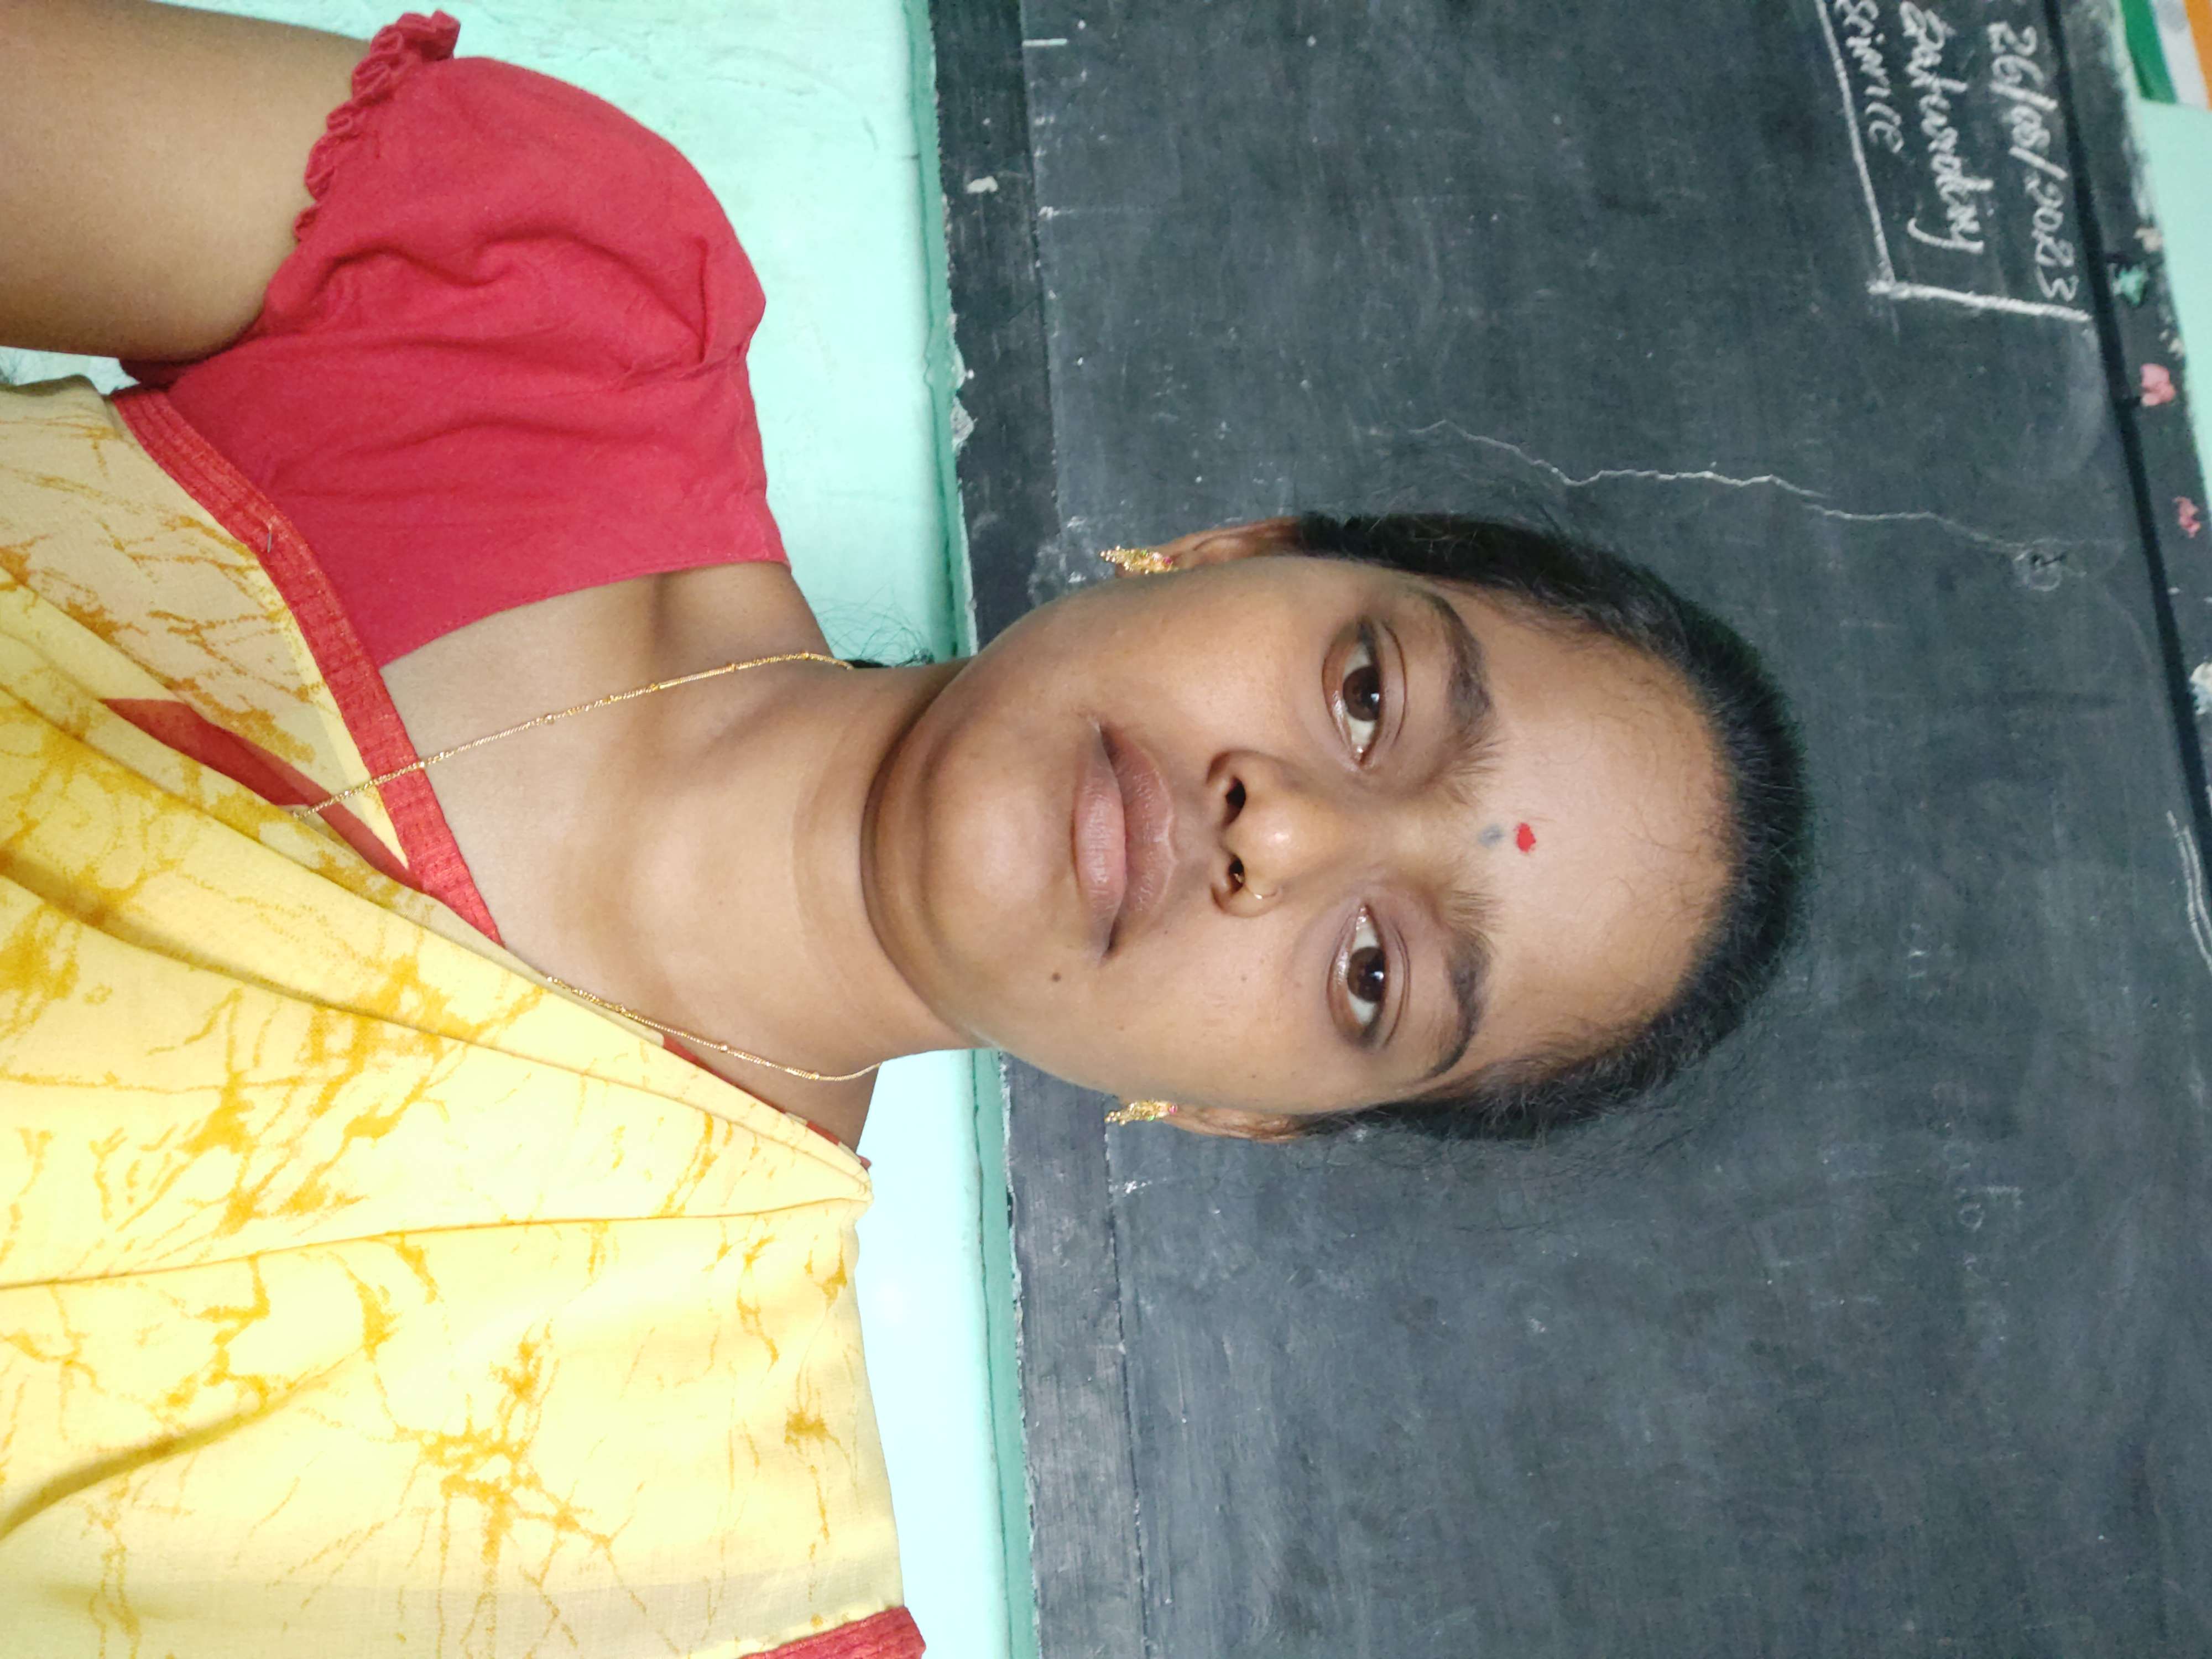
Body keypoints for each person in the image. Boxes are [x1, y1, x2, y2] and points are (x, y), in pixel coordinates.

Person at [0, 4, 1807, 1653]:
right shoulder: (540, 288)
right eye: (1367, 695)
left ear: (1242, 1117)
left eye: (1370, 975)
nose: (1284, 835)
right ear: (1234, 550)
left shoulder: (705, 1582)